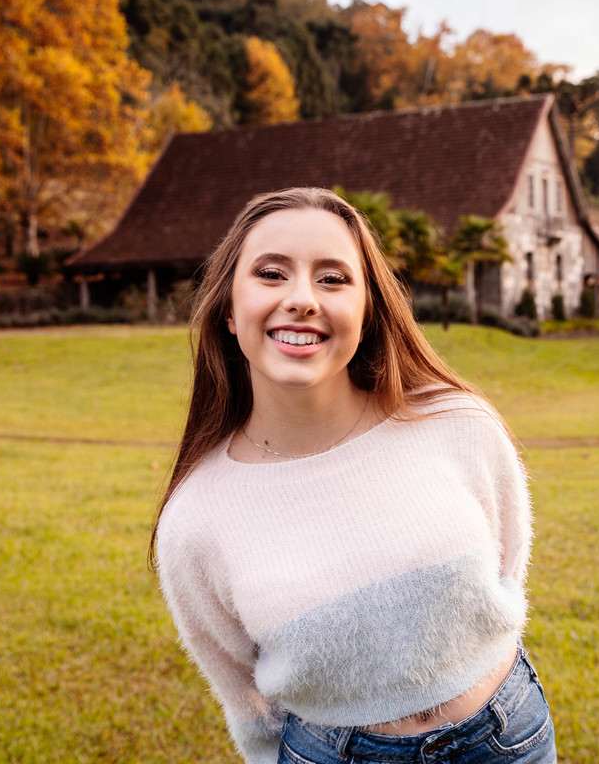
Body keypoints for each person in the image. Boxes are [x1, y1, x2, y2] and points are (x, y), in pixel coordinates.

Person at [153, 187, 555, 764]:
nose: (302, 300)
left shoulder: (459, 425)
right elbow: (245, 697)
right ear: (227, 308)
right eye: (271, 274)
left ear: (367, 311)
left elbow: (507, 571)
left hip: (506, 737)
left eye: (333, 279)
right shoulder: (196, 518)